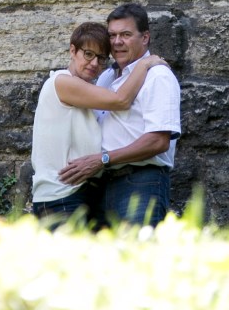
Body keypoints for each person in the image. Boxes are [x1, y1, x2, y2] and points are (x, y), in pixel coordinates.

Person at [31, 20, 167, 227]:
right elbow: (121, 100)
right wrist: (145, 64)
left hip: (78, 193)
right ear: (73, 51)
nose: (94, 63)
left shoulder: (89, 89)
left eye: (101, 58)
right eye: (88, 54)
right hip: (61, 196)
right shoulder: (62, 82)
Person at [59, 4, 181, 226]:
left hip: (141, 182)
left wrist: (103, 159)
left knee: (138, 247)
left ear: (145, 38)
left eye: (125, 35)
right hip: (101, 185)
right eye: (112, 35)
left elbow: (158, 141)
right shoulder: (107, 76)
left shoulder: (158, 76)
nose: (116, 42)